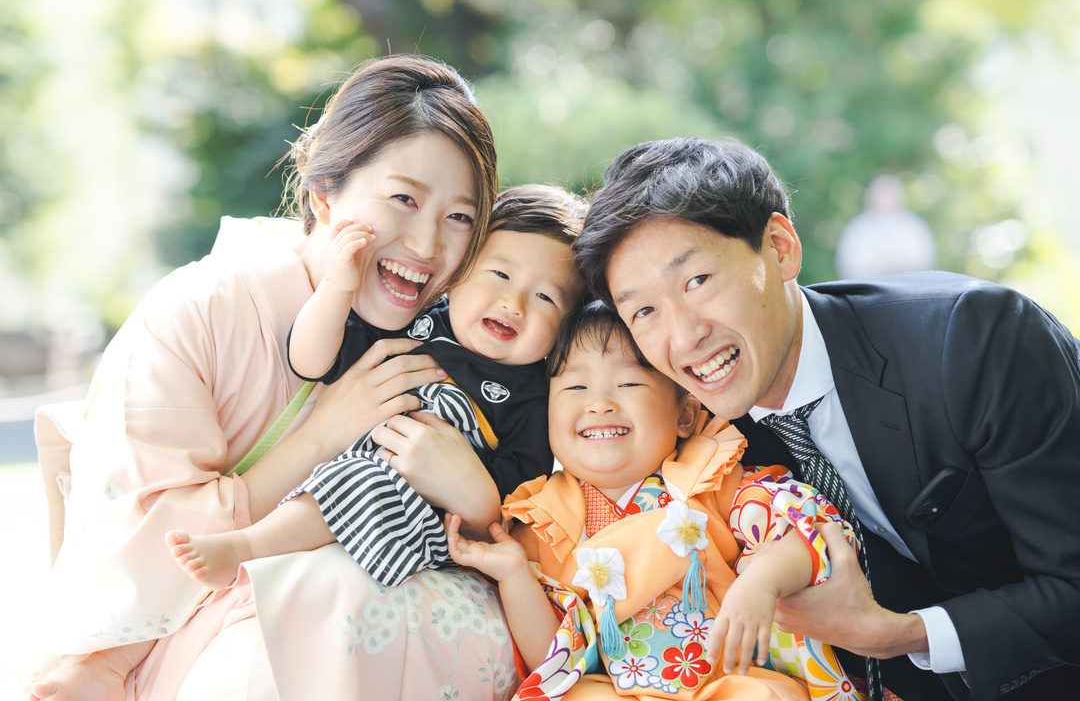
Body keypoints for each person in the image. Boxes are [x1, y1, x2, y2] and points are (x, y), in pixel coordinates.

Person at [22, 55, 524, 701]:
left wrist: (478, 503)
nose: (428, 246)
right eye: (403, 199)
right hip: (188, 623)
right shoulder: (202, 308)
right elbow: (147, 525)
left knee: (346, 591)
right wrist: (321, 436)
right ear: (324, 193)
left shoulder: (461, 337)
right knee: (328, 591)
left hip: (386, 623)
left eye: (460, 218)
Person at [572, 137, 1080, 701]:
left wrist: (898, 635)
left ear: (780, 248)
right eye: (644, 310)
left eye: (697, 281)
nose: (683, 337)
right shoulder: (696, 436)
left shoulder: (969, 340)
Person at [165, 184, 587, 591]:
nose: (514, 304)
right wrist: (337, 287)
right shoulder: (416, 321)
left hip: (426, 521)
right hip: (341, 475)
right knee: (350, 475)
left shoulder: (534, 397)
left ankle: (243, 549)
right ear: (459, 273)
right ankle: (250, 547)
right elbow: (311, 361)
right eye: (500, 274)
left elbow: (520, 499)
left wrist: (473, 489)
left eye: (546, 298)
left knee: (362, 479)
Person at [447, 300, 872, 701]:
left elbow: (809, 531)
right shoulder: (543, 521)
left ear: (684, 414)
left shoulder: (708, 479)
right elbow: (552, 662)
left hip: (726, 681)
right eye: (575, 386)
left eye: (628, 383)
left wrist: (765, 578)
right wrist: (516, 576)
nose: (599, 404)